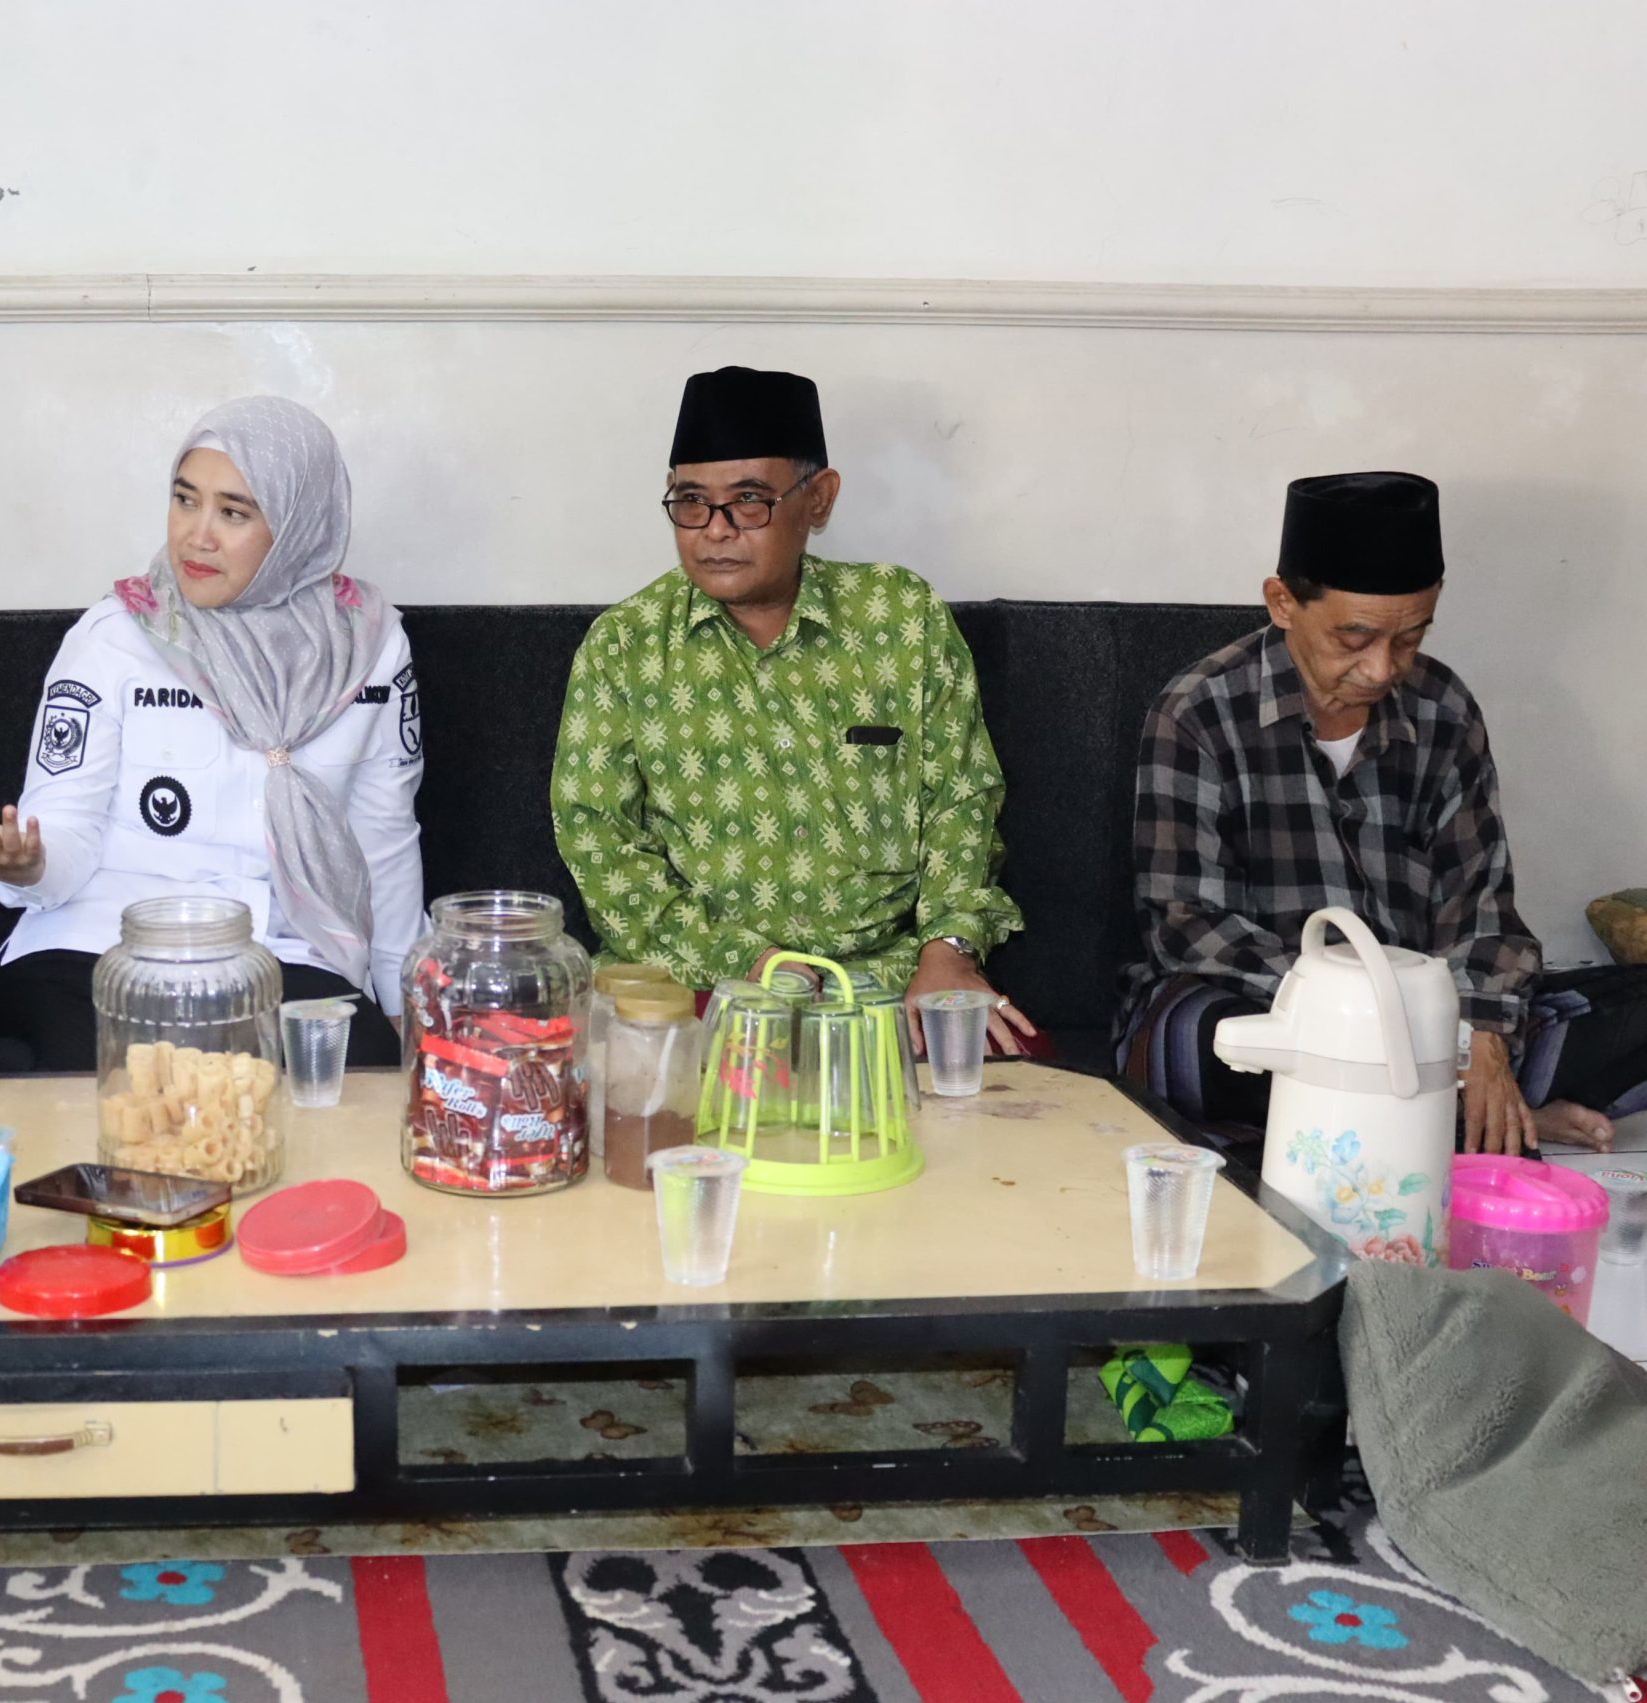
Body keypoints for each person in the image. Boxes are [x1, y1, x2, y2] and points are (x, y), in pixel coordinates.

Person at [1119, 471, 1647, 1152]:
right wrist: (1382, 1012)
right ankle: (1469, 1121)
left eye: (1408, 639)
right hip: (1283, 1009)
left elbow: (1481, 909)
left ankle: (1448, 1110)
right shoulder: (1199, 712)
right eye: (1354, 638)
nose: (1381, 669)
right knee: (1195, 1041)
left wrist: (1478, 1033)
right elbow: (1186, 926)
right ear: (1282, 603)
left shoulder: (1443, 710)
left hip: (1434, 1019)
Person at [0, 396, 423, 1071]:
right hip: (100, 941)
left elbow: (382, 837)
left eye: (234, 513)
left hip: (280, 949)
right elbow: (64, 825)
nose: (197, 537)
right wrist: (24, 864)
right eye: (185, 500)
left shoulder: (369, 646)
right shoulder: (115, 635)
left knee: (356, 1070)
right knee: (107, 1073)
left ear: (300, 526)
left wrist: (404, 1004)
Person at [550, 366, 1032, 1049]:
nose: (715, 531)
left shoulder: (901, 617)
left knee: (1017, 1087)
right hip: (696, 988)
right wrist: (749, 963)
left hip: (887, 986)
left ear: (819, 500)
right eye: (691, 501)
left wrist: (949, 950)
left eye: (748, 501)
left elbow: (962, 798)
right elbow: (598, 840)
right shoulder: (625, 644)